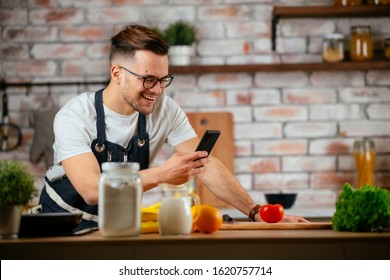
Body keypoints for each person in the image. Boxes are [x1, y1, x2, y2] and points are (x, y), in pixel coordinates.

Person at [38, 24, 307, 232]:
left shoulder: (164, 109)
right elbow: (92, 190)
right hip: (61, 229)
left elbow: (204, 164)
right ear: (117, 73)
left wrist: (255, 211)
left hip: (116, 228)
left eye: (163, 79)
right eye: (148, 79)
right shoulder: (74, 115)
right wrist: (163, 173)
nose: (157, 90)